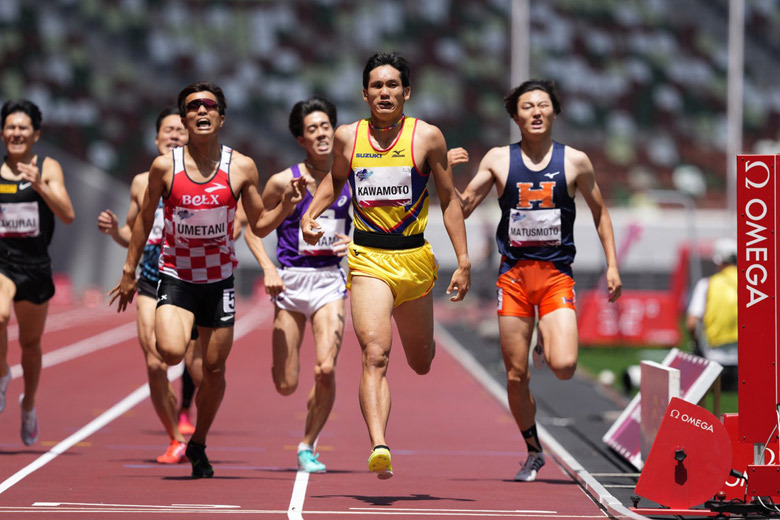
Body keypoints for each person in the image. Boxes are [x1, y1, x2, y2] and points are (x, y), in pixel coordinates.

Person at [109, 82, 306, 478]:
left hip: (218, 282)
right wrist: (129, 272)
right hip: (176, 275)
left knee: (214, 372)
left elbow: (261, 224)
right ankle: (186, 333)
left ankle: (198, 441)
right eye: (193, 107)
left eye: (209, 106)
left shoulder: (242, 166)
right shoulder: (165, 167)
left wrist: (286, 205)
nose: (201, 111)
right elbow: (145, 220)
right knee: (168, 351)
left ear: (221, 117)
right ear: (184, 118)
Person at [300, 52, 471, 480]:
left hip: (413, 260)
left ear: (406, 92)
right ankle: (379, 444)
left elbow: (449, 200)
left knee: (421, 361)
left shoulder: (427, 137)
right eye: (376, 86)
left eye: (392, 85)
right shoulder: (347, 137)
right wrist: (311, 213)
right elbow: (337, 180)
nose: (384, 92)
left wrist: (464, 260)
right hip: (367, 257)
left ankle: (421, 351)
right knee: (375, 355)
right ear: (364, 93)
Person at [456, 79, 622, 482]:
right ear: (515, 116)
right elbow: (460, 207)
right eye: (526, 106)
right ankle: (533, 450)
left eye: (542, 105)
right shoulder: (497, 160)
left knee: (564, 366)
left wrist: (612, 265)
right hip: (513, 278)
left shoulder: (575, 161)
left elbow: (599, 211)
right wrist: (438, 170)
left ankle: (547, 342)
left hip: (555, 277)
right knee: (516, 375)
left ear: (553, 112)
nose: (535, 112)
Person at [241, 96, 351, 474]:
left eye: (325, 127)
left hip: (330, 282)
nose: (320, 134)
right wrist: (268, 268)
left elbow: (379, 221)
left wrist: (354, 242)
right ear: (301, 140)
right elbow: (251, 228)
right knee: (286, 384)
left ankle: (308, 445)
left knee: (325, 369)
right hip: (289, 283)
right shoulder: (281, 181)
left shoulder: (350, 175)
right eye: (312, 130)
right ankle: (301, 391)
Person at [97, 107, 201, 463]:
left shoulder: (203, 176)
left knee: (200, 366)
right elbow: (133, 233)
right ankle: (175, 437)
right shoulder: (142, 182)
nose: (174, 135)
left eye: (180, 130)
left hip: (193, 277)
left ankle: (195, 422)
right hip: (152, 275)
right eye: (167, 131)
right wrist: (116, 233)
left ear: (190, 136)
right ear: (156, 140)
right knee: (155, 363)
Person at [0, 99, 75, 445]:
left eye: (23, 128)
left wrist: (40, 185)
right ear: (3, 133)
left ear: (36, 134)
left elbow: (68, 214)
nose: (16, 133)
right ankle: (2, 372)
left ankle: (28, 403)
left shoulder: (48, 167)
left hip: (35, 267)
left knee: (31, 344)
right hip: (2, 264)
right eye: (10, 127)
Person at [686, 237, 738, 374]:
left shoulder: (706, 284)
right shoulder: (752, 287)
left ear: (718, 260)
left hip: (714, 358)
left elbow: (691, 323)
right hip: (745, 359)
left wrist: (696, 343)